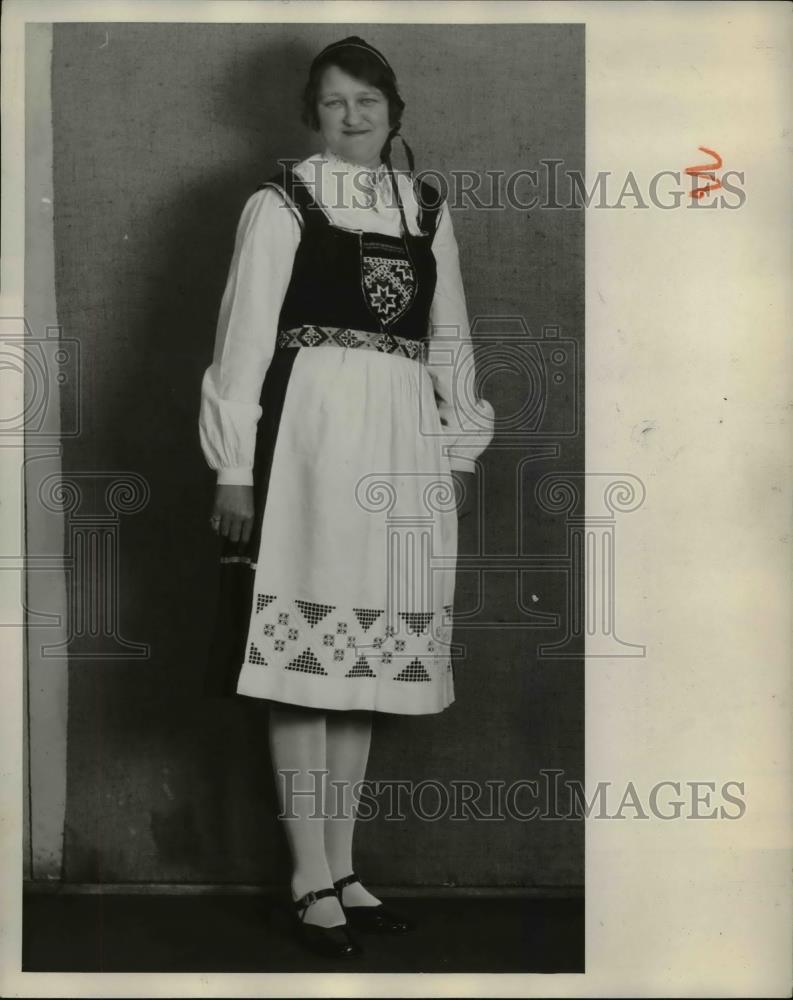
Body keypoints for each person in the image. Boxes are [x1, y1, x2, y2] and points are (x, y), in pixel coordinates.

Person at [198, 36, 495, 959]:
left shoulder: (428, 207)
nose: (353, 115)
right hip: (311, 444)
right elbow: (242, 345)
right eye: (334, 103)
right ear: (312, 114)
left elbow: (449, 340)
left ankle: (345, 866)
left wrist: (456, 447)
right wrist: (234, 470)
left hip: (401, 444)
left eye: (368, 100)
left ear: (393, 111)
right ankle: (305, 877)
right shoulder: (280, 203)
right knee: (305, 666)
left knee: (363, 667)